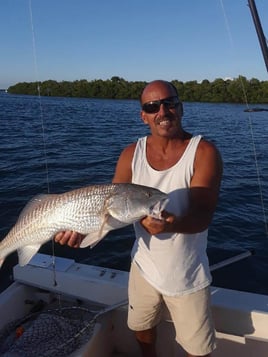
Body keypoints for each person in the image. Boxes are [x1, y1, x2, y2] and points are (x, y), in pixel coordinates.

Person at [55, 80, 223, 357]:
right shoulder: (131, 154)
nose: (163, 111)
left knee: (197, 349)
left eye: (170, 103)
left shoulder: (204, 152)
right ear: (143, 115)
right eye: (152, 106)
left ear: (181, 107)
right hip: (142, 267)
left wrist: (173, 224)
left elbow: (203, 216)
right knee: (141, 329)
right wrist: (80, 232)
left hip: (187, 274)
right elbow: (107, 211)